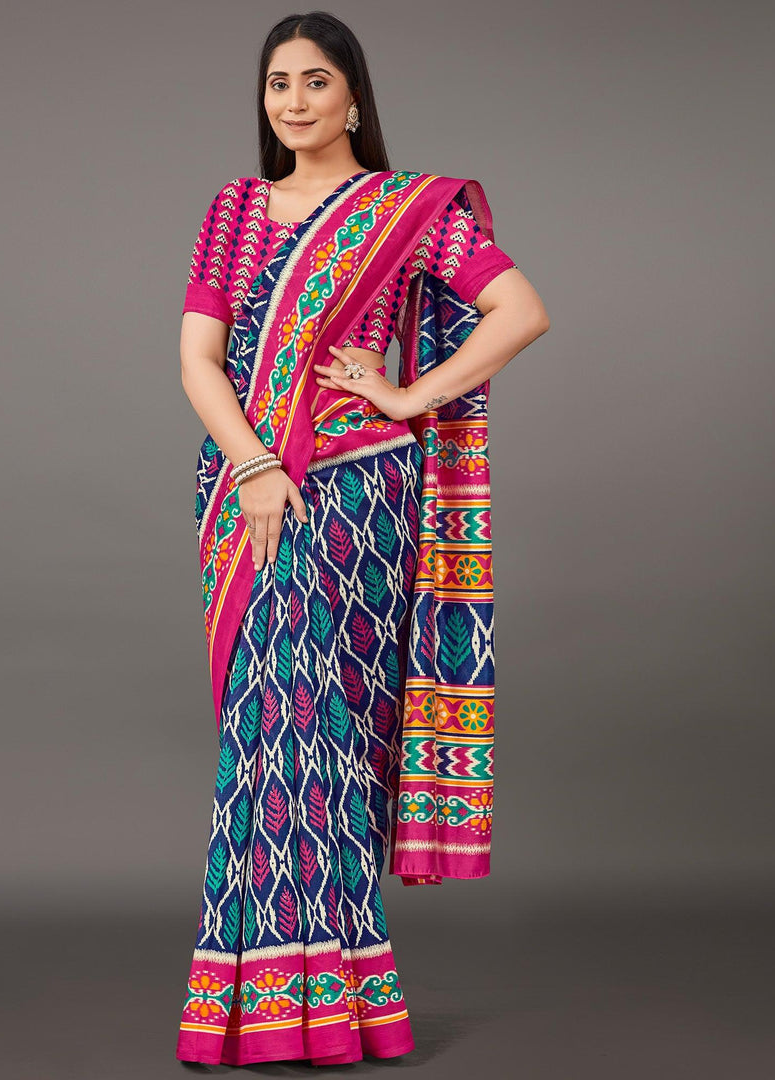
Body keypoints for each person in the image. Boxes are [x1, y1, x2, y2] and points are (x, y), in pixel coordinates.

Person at [175, 10, 549, 1067]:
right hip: (246, 489)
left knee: (326, 731)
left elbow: (520, 311)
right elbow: (198, 360)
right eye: (277, 83)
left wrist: (409, 395)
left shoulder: (408, 210)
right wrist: (255, 466)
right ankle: (281, 1000)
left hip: (355, 493)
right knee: (264, 733)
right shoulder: (234, 211)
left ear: (353, 99)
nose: (293, 101)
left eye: (314, 82)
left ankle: (329, 1002)